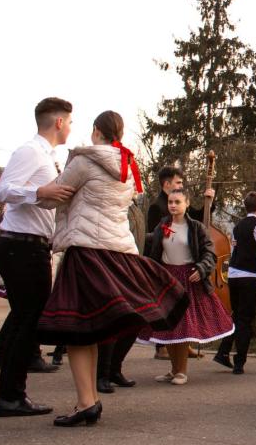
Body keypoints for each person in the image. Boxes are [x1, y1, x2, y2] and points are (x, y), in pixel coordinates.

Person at [35, 111, 188, 426]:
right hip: (118, 248)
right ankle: (89, 400)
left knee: (78, 331)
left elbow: (53, 197)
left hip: (86, 249)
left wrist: (37, 189)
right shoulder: (128, 167)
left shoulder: (84, 161)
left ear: (96, 131)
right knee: (89, 328)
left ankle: (86, 401)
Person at [0, 97, 75, 418]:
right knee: (29, 322)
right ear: (57, 122)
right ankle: (11, 396)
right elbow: (2, 191)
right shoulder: (30, 151)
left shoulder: (49, 157)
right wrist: (39, 193)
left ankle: (11, 394)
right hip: (20, 247)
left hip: (33, 247)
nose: (70, 127)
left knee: (24, 321)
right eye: (69, 121)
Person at [141, 188, 234, 385]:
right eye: (171, 202)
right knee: (170, 325)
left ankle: (181, 371)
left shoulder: (197, 227)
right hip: (166, 279)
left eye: (177, 202)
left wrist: (201, 269)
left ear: (187, 204)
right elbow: (153, 248)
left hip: (188, 279)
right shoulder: (162, 226)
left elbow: (210, 254)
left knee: (182, 326)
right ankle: (174, 370)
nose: (173, 205)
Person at [213, 191, 256, 375]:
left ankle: (223, 352)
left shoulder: (238, 226)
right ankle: (239, 361)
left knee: (236, 315)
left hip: (233, 274)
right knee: (245, 318)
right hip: (249, 275)